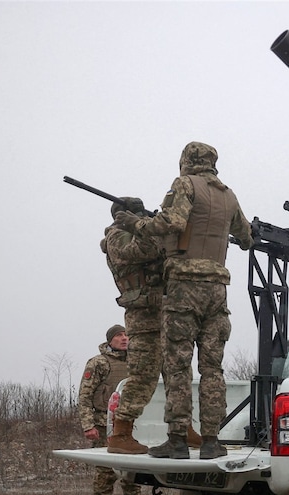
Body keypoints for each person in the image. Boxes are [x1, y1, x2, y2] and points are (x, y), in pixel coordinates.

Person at [114, 141, 253, 460]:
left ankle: (177, 439)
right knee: (212, 368)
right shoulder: (229, 195)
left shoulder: (185, 184)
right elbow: (246, 238)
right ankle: (211, 441)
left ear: (186, 161)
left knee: (177, 366)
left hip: (184, 287)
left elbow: (171, 223)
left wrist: (136, 223)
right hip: (217, 289)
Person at [101, 197, 201, 454]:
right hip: (143, 317)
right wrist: (145, 227)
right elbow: (143, 251)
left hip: (168, 311)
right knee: (144, 375)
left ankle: (182, 427)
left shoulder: (143, 232)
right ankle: (121, 432)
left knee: (178, 373)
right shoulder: (116, 236)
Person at [77, 325, 157, 495]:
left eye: (126, 335)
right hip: (104, 424)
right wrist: (88, 425)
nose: (124, 338)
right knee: (105, 470)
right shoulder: (98, 363)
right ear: (110, 340)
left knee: (132, 468)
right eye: (119, 335)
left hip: (130, 425)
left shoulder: (135, 362)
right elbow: (84, 397)